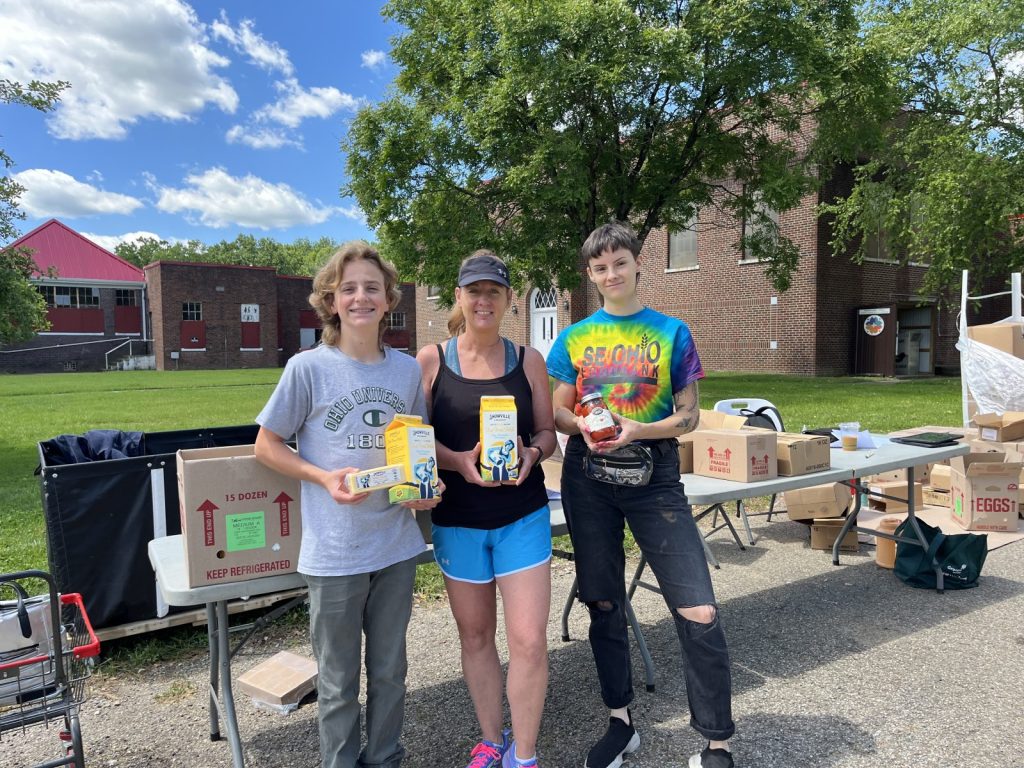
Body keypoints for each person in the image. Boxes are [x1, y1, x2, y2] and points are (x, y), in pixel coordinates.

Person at [546, 221, 736, 768]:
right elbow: (558, 409)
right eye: (600, 268)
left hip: (655, 479)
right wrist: (582, 425)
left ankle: (716, 741)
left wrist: (637, 429)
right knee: (602, 600)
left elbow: (690, 415)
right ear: (591, 274)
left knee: (697, 604)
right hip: (588, 478)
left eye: (620, 263)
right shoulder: (575, 337)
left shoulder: (673, 332)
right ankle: (620, 721)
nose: (611, 274)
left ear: (637, 264)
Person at [254, 242, 443, 768]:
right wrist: (320, 475)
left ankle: (384, 758)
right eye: (349, 288)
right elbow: (266, 446)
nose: (361, 297)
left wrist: (421, 488)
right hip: (334, 551)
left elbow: (414, 446)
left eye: (372, 288)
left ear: (388, 302)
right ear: (331, 300)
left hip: (395, 545)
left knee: (390, 672)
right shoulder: (307, 368)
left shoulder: (405, 372)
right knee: (338, 683)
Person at [415, 250, 557, 768]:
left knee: (528, 640)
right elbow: (414, 442)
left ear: (507, 300)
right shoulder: (431, 361)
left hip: (522, 513)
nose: (483, 300)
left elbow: (548, 434)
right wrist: (457, 460)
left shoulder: (528, 361)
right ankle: (490, 740)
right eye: (473, 290)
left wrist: (533, 452)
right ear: (459, 296)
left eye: (493, 292)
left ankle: (525, 754)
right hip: (459, 521)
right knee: (475, 636)